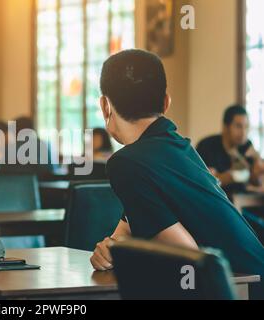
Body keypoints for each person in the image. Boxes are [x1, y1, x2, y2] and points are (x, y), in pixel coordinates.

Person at [90, 50, 264, 298]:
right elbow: (125, 232)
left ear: (105, 106)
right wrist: (111, 249)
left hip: (240, 290)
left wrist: (125, 253)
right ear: (166, 102)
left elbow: (187, 260)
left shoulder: (127, 163)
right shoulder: (178, 148)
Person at [197, 105, 264, 195]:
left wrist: (257, 165)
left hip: (242, 202)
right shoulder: (207, 146)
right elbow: (202, 181)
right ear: (225, 127)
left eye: (246, 127)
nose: (243, 132)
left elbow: (256, 182)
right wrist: (226, 177)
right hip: (216, 201)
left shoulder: (247, 146)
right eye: (238, 126)